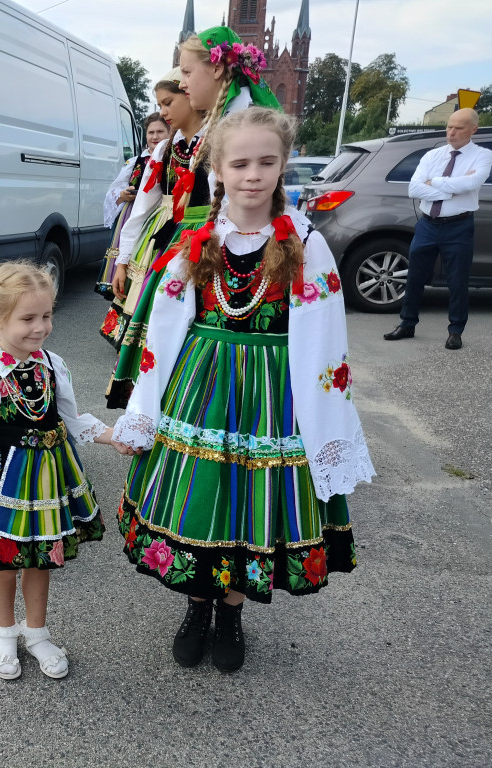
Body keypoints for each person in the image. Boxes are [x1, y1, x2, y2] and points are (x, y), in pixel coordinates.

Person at [112, 107, 375, 674]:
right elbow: (162, 326)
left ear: (282, 168)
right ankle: (196, 604)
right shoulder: (197, 239)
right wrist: (144, 408)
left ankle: (232, 612)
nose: (252, 174)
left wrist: (323, 424)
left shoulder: (306, 243)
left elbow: (328, 340)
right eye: (240, 163)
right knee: (202, 494)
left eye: (266, 162)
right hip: (203, 382)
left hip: (274, 391)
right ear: (219, 170)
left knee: (250, 504)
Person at [0, 263, 121, 681]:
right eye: (27, 319)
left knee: (41, 559)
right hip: (4, 486)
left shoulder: (52, 364)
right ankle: (4, 632)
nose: (40, 327)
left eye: (46, 316)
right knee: (6, 562)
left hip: (47, 482)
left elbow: (72, 419)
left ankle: (37, 632)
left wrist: (113, 435)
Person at [103, 29, 281, 409]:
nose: (182, 88)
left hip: (213, 241)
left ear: (216, 70)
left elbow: (234, 207)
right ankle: (164, 406)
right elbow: (143, 205)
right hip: (182, 239)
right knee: (167, 327)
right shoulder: (173, 146)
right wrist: (123, 258)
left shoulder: (235, 126)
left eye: (185, 76)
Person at [100, 73, 202, 357]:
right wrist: (122, 261)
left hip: (203, 236)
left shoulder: (213, 143)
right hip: (164, 234)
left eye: (168, 102)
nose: (163, 112)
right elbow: (141, 208)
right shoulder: (163, 152)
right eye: (160, 105)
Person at [384, 108, 492, 350]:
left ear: (473, 129)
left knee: (457, 280)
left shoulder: (482, 156)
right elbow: (414, 189)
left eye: (459, 128)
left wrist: (435, 182)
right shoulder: (433, 155)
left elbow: (473, 182)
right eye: (449, 126)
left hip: (458, 226)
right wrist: (454, 187)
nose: (451, 132)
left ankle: (455, 331)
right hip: (427, 224)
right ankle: (407, 324)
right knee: (415, 277)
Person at [95, 111, 169, 298]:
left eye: (160, 131)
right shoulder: (135, 162)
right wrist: (123, 195)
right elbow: (113, 194)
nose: (154, 136)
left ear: (169, 132)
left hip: (160, 215)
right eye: (150, 132)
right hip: (131, 214)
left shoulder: (172, 159)